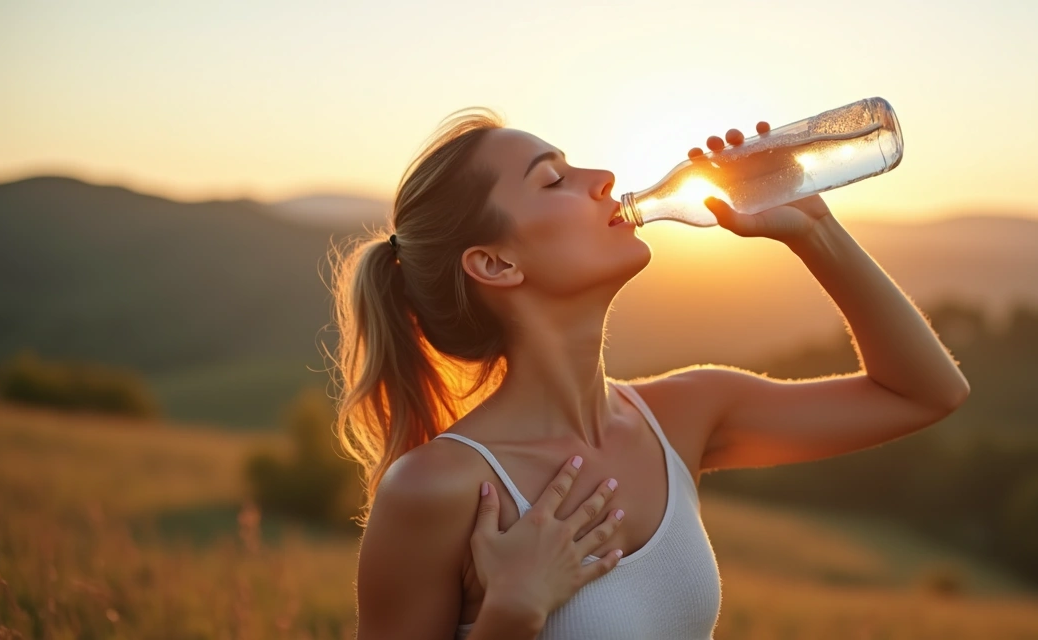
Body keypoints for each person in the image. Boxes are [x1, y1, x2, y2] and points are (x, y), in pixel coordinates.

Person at [334, 107, 971, 639]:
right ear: (495, 264)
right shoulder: (437, 488)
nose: (604, 177)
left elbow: (924, 393)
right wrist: (512, 613)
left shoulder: (685, 414)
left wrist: (813, 229)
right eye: (554, 179)